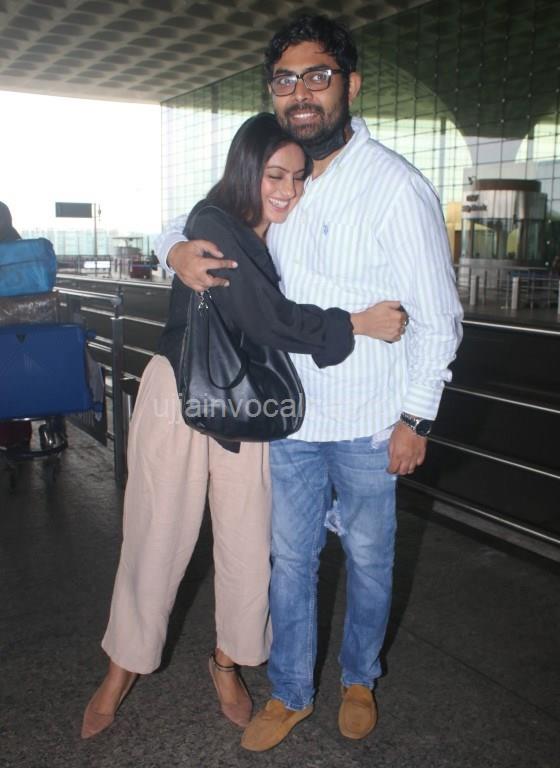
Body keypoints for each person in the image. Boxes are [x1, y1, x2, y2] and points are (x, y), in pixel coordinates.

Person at [156, 15, 463, 752]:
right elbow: (195, 214)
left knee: (369, 561)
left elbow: (438, 316)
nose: (301, 92)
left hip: (369, 421)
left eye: (317, 76)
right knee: (290, 563)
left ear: (350, 85)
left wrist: (416, 418)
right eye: (285, 79)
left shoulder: (395, 186)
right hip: (288, 420)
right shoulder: (277, 174)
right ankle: (291, 691)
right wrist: (174, 249)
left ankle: (359, 678)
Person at [81, 113, 406, 740]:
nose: (288, 189)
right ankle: (121, 668)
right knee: (156, 537)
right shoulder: (213, 222)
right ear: (247, 169)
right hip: (182, 394)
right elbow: (267, 317)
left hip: (251, 407)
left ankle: (227, 661)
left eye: (299, 177)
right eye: (275, 175)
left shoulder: (283, 230)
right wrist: (356, 323)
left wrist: (168, 244)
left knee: (249, 547)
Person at [0, 201, 33, 450]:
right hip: (23, 324)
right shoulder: (19, 244)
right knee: (20, 380)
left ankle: (6, 436)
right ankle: (21, 434)